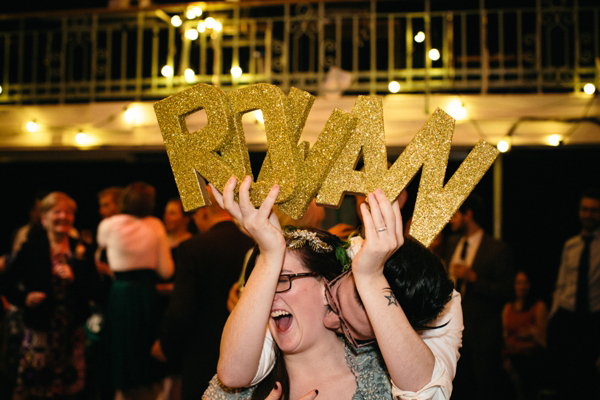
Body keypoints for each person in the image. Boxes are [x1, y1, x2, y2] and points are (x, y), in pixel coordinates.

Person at [212, 176, 458, 399]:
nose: (330, 322)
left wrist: (371, 279)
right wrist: (270, 256)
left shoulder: (437, 310)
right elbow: (234, 372)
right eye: (334, 300)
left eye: (349, 331)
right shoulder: (342, 256)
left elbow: (429, 393)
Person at [159, 184, 254, 399]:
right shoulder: (251, 245)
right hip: (243, 352)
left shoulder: (193, 248)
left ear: (203, 212)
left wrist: (168, 347)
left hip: (199, 354)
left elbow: (180, 312)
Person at [1, 192, 99, 399]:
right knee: (37, 389)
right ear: (44, 219)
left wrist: (75, 278)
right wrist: (24, 298)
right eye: (57, 212)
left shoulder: (81, 249)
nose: (63, 216)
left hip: (72, 333)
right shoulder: (31, 249)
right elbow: (6, 283)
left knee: (70, 390)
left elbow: (96, 289)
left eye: (68, 212)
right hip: (40, 331)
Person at [96, 182, 174, 400]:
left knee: (121, 348)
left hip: (120, 293)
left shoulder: (110, 224)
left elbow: (101, 244)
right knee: (144, 348)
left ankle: (121, 390)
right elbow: (167, 270)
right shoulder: (156, 225)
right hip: (144, 294)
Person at [444, 194, 513, 400]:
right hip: (453, 336)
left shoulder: (496, 249)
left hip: (483, 339)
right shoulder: (452, 243)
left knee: (485, 391)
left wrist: (474, 278)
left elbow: (506, 291)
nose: (450, 219)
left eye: (455, 214)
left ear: (468, 215)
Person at [547, 187, 600, 398]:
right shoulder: (571, 245)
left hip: (594, 319)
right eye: (584, 209)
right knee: (566, 381)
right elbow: (561, 283)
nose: (588, 214)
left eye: (594, 210)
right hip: (567, 319)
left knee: (589, 381)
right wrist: (553, 316)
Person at [502, 270, 547, 400]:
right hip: (508, 355)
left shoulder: (538, 307)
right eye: (519, 283)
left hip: (528, 358)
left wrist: (531, 334)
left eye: (525, 282)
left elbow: (543, 342)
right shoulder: (508, 308)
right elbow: (504, 336)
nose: (522, 286)